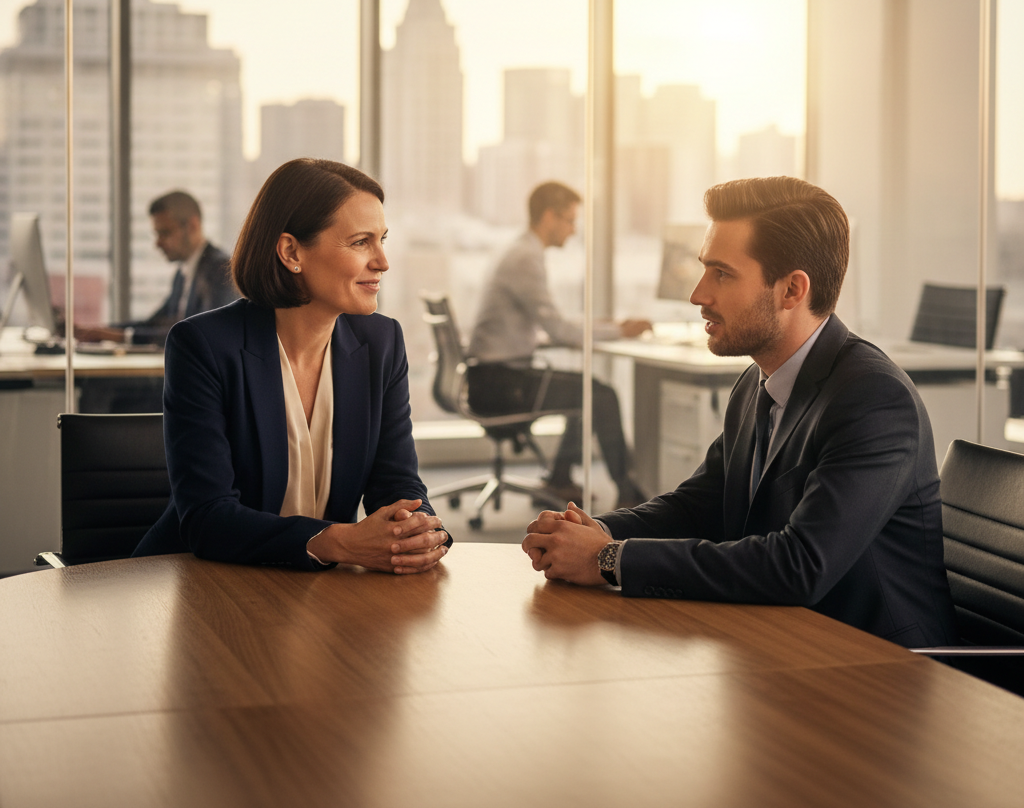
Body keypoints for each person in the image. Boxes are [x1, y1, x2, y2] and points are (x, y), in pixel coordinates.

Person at [522, 176, 957, 648]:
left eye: (721, 274)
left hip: (882, 670)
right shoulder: (758, 382)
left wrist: (609, 559)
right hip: (786, 648)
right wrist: (593, 532)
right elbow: (699, 506)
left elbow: (800, 565)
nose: (698, 294)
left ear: (791, 290)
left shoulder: (873, 399)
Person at [134, 159, 450, 572]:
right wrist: (337, 541)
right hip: (194, 582)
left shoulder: (381, 342)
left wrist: (417, 530)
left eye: (382, 240)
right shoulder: (205, 346)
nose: (382, 262)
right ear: (291, 252)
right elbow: (207, 519)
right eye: (360, 242)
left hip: (313, 592)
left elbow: (396, 482)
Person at [467, 181, 650, 509]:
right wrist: (620, 332)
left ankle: (560, 478)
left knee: (584, 391)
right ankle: (627, 491)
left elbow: (553, 325)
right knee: (599, 395)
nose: (573, 229)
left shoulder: (521, 251)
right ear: (549, 217)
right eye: (570, 220)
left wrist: (610, 327)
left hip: (495, 377)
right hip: (500, 385)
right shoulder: (525, 258)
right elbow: (560, 330)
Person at [77, 190, 238, 347]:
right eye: (157, 234)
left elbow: (203, 333)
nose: (158, 243)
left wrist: (119, 336)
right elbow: (156, 322)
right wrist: (101, 331)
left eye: (165, 233)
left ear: (192, 226)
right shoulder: (183, 273)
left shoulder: (219, 270)